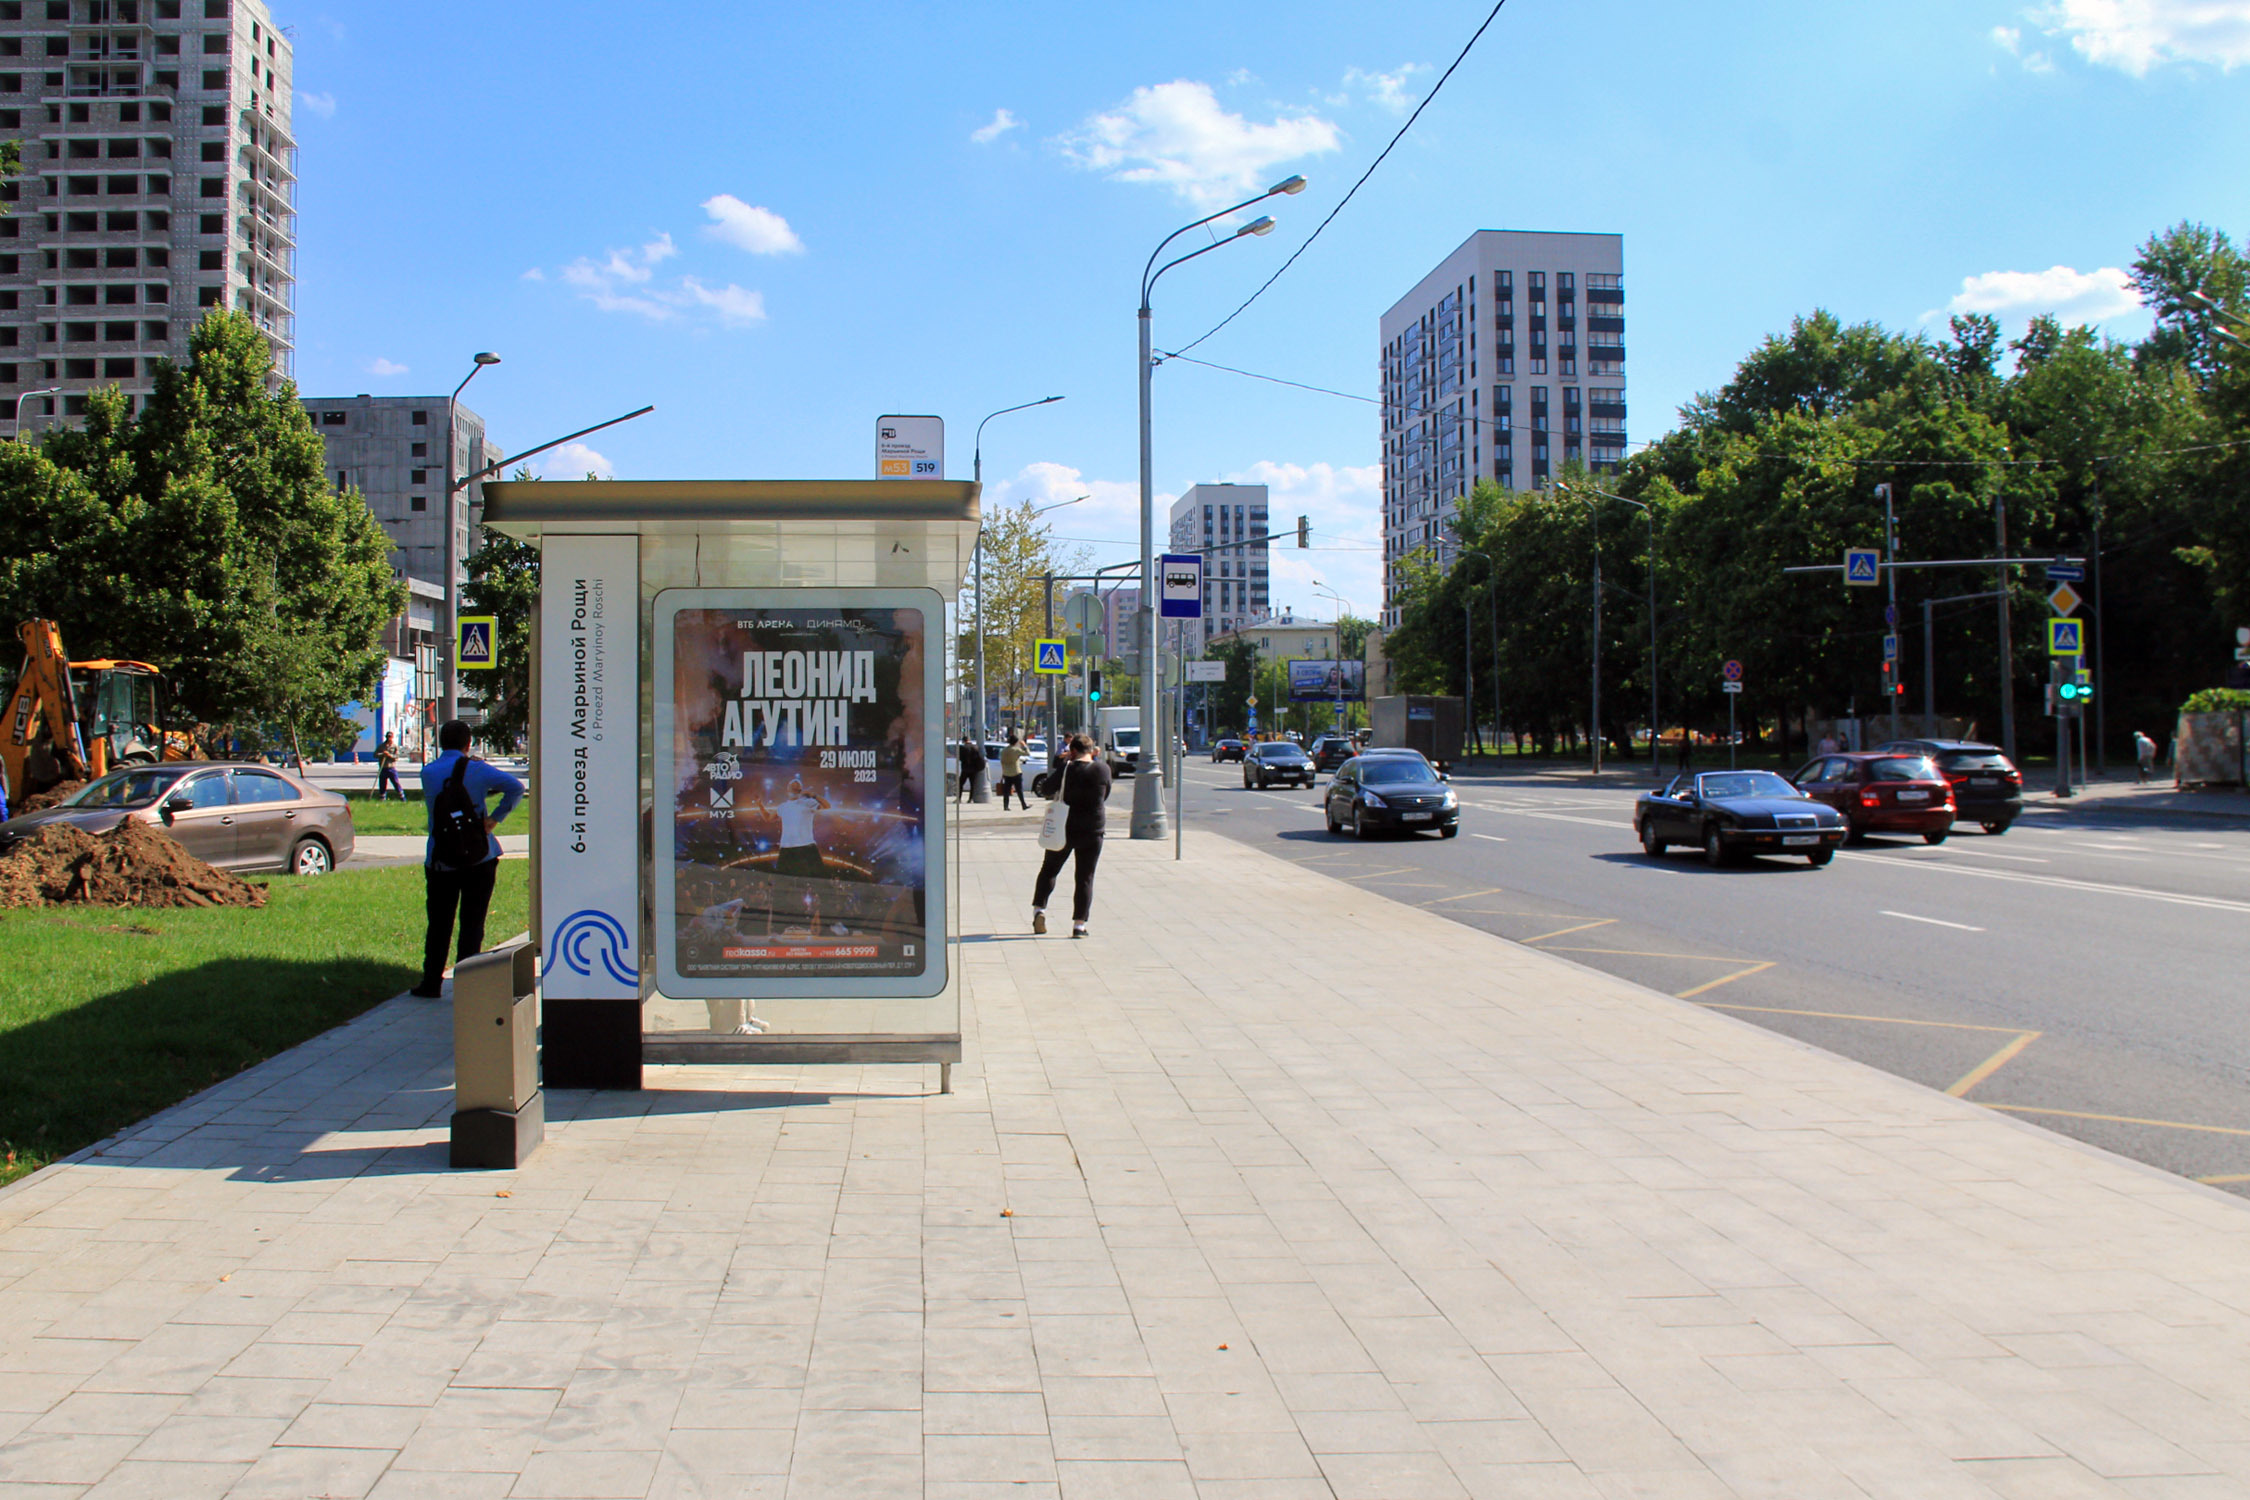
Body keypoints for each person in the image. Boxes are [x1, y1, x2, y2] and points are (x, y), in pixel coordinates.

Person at [414, 720, 524, 999]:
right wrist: (494, 819)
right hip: (479, 856)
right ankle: (467, 985)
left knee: (439, 922)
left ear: (441, 743)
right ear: (468, 742)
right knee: (472, 922)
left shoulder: (428, 772)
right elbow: (515, 788)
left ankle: (431, 982)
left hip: (440, 858)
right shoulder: (478, 769)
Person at [1032, 733, 1111, 939]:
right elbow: (1106, 794)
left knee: (1049, 869)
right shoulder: (1102, 769)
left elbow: (1046, 788)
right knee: (1085, 877)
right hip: (1093, 829)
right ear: (1091, 750)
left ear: (1072, 751)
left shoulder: (1066, 769)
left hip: (1064, 828)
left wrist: (1064, 764)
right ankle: (1079, 925)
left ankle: (1039, 910)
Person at [997, 731, 1027, 810]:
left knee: (1006, 791)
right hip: (1016, 772)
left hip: (1007, 773)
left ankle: (1005, 806)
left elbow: (1002, 761)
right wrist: (1024, 746)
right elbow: (1027, 753)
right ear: (1016, 742)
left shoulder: (1004, 751)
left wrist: (1003, 772)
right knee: (1019, 790)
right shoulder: (1016, 750)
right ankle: (1023, 805)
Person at [374, 733, 405, 801]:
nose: (389, 738)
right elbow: (375, 755)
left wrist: (389, 755)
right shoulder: (381, 746)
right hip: (383, 768)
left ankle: (402, 797)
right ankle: (382, 798)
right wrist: (382, 754)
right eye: (388, 737)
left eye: (390, 737)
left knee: (396, 783)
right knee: (382, 784)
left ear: (392, 737)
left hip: (391, 768)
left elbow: (396, 757)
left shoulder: (394, 747)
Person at [957, 735, 986, 805]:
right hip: (974, 769)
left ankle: (959, 798)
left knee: (960, 783)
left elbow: (960, 758)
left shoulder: (963, 748)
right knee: (972, 784)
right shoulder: (975, 747)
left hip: (965, 768)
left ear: (964, 741)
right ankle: (970, 799)